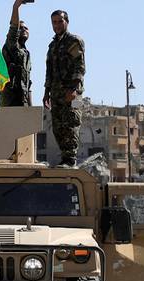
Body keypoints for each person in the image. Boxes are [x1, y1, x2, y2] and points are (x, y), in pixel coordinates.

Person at [43, 9, 86, 167]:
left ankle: (70, 159)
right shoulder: (52, 45)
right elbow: (49, 71)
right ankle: (64, 158)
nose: (57, 25)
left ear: (66, 22)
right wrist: (46, 93)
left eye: (60, 21)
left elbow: (80, 67)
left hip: (73, 94)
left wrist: (73, 89)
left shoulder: (74, 41)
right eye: (54, 22)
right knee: (58, 126)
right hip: (56, 93)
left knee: (71, 123)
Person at [0, 0, 32, 107]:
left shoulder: (26, 53)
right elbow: (14, 28)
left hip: (23, 100)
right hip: (10, 100)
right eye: (20, 27)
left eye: (26, 28)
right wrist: (16, 7)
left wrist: (30, 107)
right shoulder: (11, 45)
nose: (23, 30)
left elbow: (28, 83)